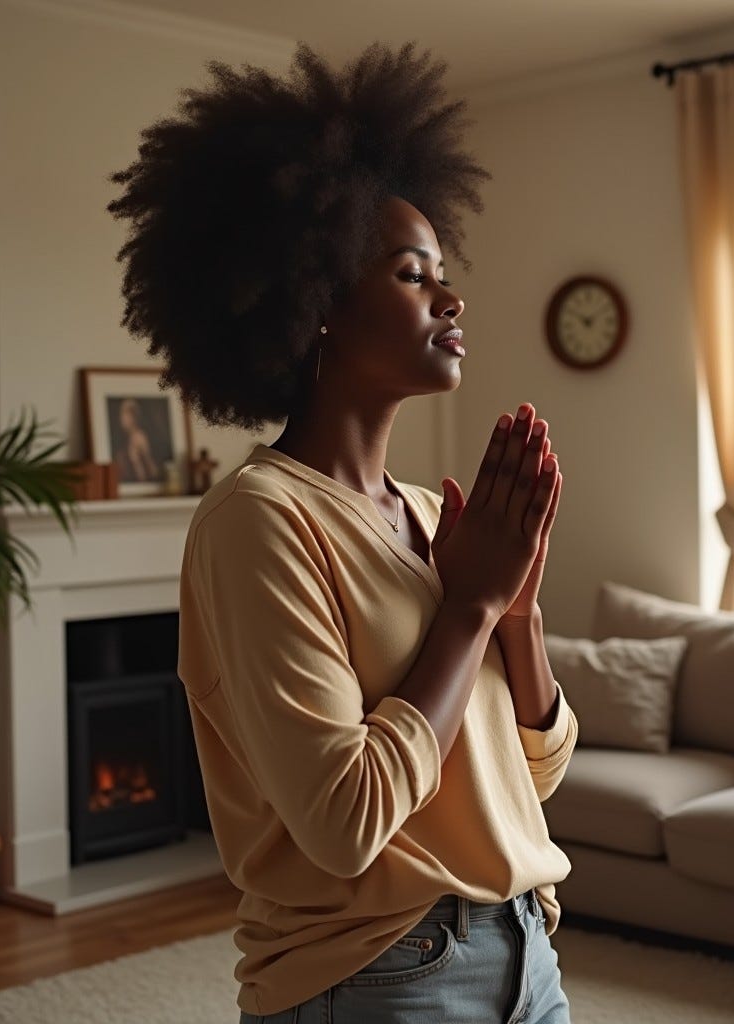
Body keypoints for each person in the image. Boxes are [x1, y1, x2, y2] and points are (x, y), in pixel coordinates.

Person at [107, 42, 577, 1023]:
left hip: (526, 952)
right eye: (413, 275)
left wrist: (516, 614)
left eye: (442, 274)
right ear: (316, 305)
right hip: (379, 979)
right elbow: (345, 821)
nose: (449, 298)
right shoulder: (258, 523)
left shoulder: (434, 515)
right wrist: (468, 610)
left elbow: (532, 774)